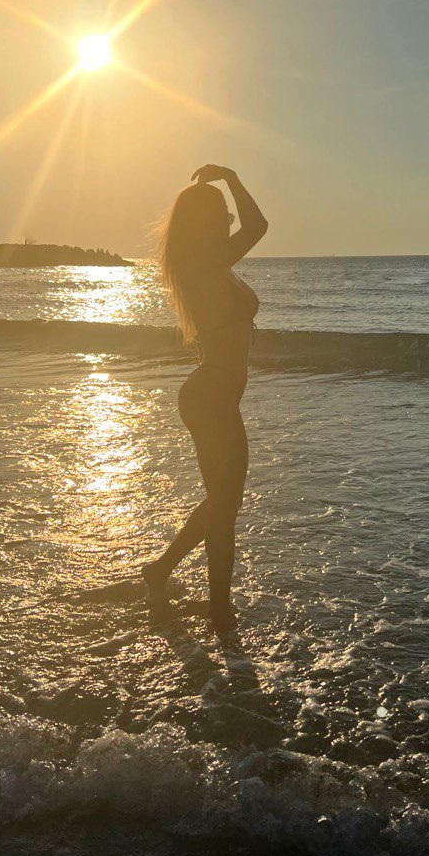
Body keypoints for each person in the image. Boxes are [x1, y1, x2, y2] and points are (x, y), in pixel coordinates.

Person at [144, 164, 268, 632]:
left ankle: (162, 573)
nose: (227, 218)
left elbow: (251, 227)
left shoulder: (209, 264)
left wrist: (229, 184)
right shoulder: (203, 264)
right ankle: (218, 609)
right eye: (218, 211)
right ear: (203, 220)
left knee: (223, 501)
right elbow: (257, 226)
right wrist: (232, 179)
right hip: (210, 395)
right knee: (224, 504)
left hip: (217, 394)